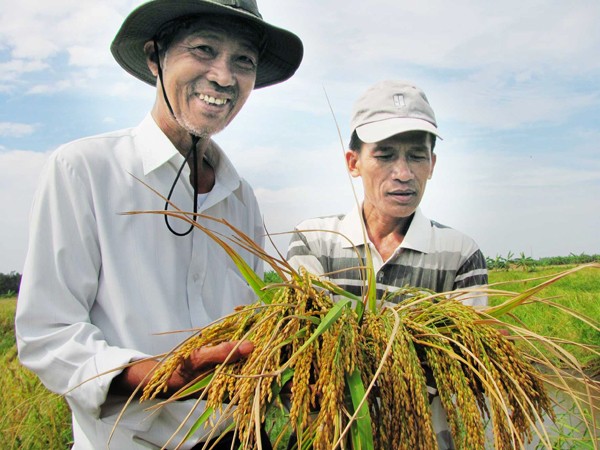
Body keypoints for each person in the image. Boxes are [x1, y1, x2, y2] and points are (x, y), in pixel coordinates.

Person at [15, 1, 302, 449]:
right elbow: (48, 333)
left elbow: (249, 322)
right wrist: (151, 374)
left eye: (243, 60)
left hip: (235, 436)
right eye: (204, 49)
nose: (224, 77)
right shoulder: (85, 170)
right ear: (155, 57)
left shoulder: (240, 195)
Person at [286, 80, 488, 448]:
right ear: (354, 163)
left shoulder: (460, 254)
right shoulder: (312, 240)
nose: (404, 173)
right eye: (385, 155)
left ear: (432, 165)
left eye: (416, 155)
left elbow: (464, 369)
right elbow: (307, 355)